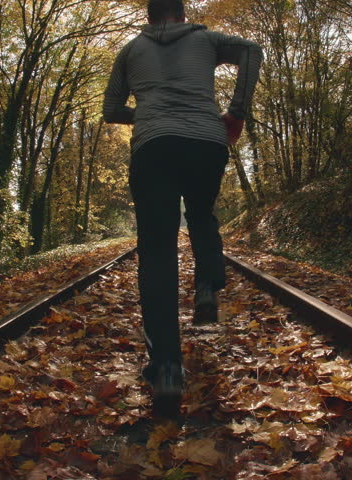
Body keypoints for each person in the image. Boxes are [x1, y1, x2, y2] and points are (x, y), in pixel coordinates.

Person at [103, 0, 263, 407]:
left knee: (156, 251)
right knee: (201, 213)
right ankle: (208, 283)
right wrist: (237, 112)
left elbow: (110, 109)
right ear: (182, 13)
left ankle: (168, 368)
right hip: (206, 142)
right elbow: (250, 51)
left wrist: (148, 113)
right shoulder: (207, 39)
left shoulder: (130, 51)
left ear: (149, 16)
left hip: (155, 147)